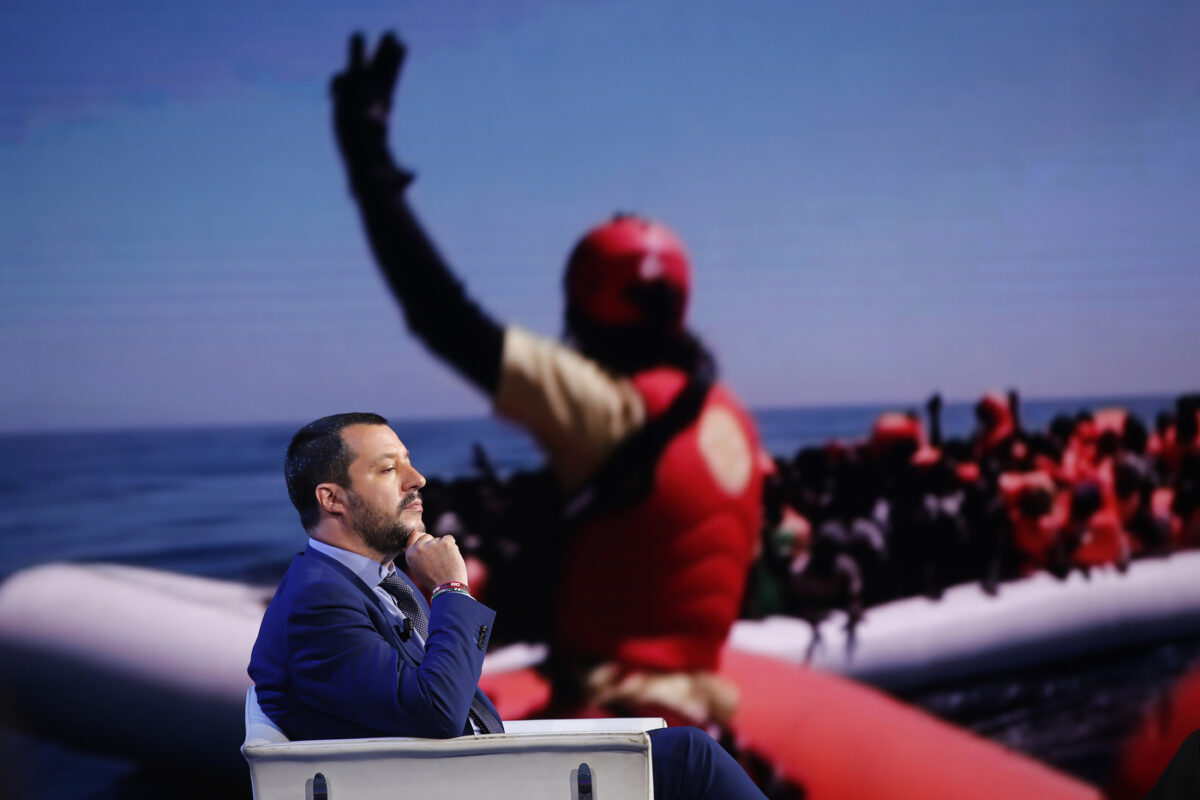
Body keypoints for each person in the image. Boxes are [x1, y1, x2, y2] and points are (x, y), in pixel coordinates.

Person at [330, 32, 764, 726]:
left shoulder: (610, 410)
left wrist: (369, 164)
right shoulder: (727, 413)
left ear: (586, 306)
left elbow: (445, 318)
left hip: (609, 717)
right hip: (699, 711)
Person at [248, 413, 769, 799]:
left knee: (684, 750)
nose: (417, 479)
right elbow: (437, 711)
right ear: (332, 499)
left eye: (408, 462)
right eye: (389, 469)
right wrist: (451, 589)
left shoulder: (355, 581)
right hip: (474, 784)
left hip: (476, 772)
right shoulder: (319, 603)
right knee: (691, 759)